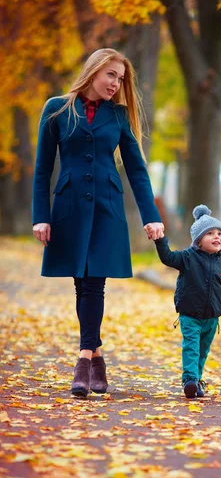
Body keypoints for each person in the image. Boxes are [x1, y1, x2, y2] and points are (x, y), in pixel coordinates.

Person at [32, 48, 164, 399]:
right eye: (111, 75)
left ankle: (83, 360)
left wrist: (152, 217)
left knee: (94, 284)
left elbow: (136, 169)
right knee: (81, 283)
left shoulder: (118, 116)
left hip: (107, 209)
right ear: (93, 72)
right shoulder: (56, 109)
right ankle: (98, 358)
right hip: (69, 207)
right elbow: (43, 167)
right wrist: (40, 217)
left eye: (120, 79)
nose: (115, 84)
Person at [152, 205, 221, 399]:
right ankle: (189, 380)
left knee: (202, 351)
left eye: (220, 233)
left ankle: (196, 381)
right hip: (190, 315)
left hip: (212, 319)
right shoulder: (187, 257)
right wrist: (160, 240)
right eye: (210, 233)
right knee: (191, 347)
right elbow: (167, 258)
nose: (217, 237)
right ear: (198, 240)